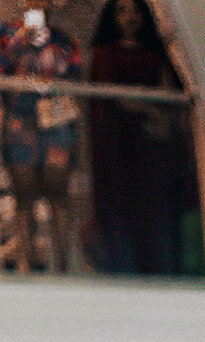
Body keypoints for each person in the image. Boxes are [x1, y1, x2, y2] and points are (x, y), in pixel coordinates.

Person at [88, 0, 189, 277]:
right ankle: (124, 267)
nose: (130, 17)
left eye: (135, 11)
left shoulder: (155, 54)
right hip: (120, 147)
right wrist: (153, 109)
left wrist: (162, 115)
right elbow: (114, 95)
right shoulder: (105, 53)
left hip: (154, 149)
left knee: (155, 210)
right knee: (123, 209)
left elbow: (175, 91)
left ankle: (161, 267)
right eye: (122, 11)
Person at [0, 5, 82, 273]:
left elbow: (76, 78)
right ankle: (25, 264)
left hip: (56, 126)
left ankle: (64, 266)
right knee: (23, 197)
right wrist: (19, 41)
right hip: (19, 126)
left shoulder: (64, 41)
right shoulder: (7, 35)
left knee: (58, 196)